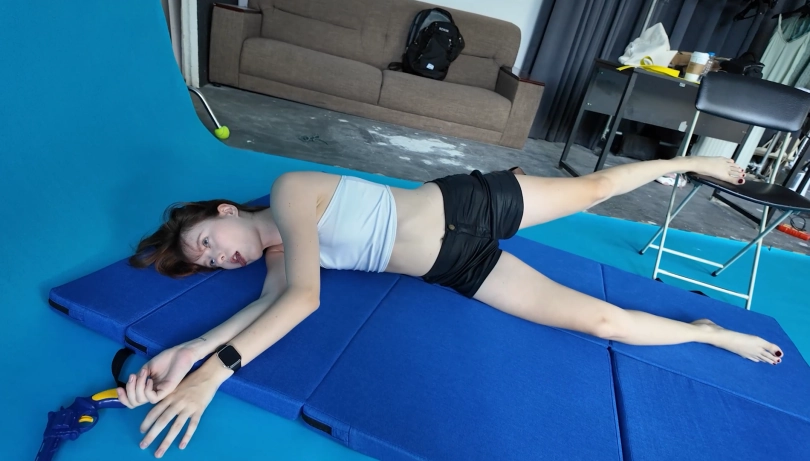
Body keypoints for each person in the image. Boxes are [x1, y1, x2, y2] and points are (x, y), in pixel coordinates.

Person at [119, 156, 782, 458]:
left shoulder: (289, 189)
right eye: (208, 264)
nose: (219, 258)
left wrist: (212, 376)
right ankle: (708, 331)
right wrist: (188, 351)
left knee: (596, 188)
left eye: (207, 243)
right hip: (456, 267)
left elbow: (304, 299)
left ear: (225, 211)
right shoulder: (276, 257)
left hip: (467, 205)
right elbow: (269, 304)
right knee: (603, 322)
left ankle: (691, 161)